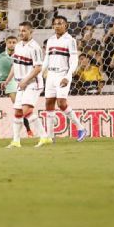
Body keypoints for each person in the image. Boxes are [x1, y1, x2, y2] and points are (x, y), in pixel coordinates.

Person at [38, 15, 86, 146]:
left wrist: (68, 76)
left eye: (60, 23)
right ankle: (50, 136)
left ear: (66, 25)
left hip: (62, 74)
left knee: (61, 103)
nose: (58, 25)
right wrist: (40, 73)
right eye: (55, 23)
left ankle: (81, 128)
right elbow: (46, 59)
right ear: (53, 25)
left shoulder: (70, 40)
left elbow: (74, 61)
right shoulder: (51, 40)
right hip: (51, 75)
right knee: (49, 103)